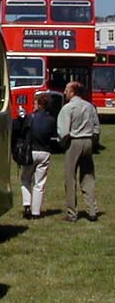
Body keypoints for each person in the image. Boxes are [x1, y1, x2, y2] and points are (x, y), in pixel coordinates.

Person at [57, 81, 100, 222]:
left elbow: (63, 131)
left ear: (72, 92)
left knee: (70, 179)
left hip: (73, 141)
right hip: (88, 141)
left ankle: (72, 213)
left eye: (66, 90)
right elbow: (96, 127)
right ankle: (92, 210)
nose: (64, 92)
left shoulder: (68, 108)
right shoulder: (89, 106)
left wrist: (63, 144)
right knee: (88, 177)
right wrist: (93, 141)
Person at [19, 94, 57, 220]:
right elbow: (53, 136)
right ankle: (36, 212)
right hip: (45, 152)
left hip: (31, 151)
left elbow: (23, 131)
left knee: (25, 178)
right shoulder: (51, 119)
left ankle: (27, 205)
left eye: (35, 103)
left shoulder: (30, 117)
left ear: (39, 104)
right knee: (39, 183)